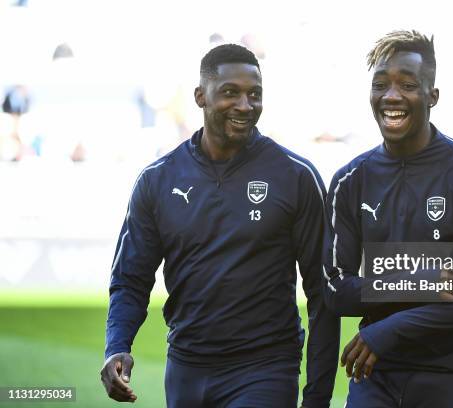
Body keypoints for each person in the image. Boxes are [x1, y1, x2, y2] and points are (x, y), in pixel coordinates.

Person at [101, 44, 340, 408]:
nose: (245, 105)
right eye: (231, 93)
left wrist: (317, 396)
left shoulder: (295, 176)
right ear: (201, 96)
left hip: (266, 369)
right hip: (186, 367)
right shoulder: (158, 180)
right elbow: (130, 279)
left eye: (254, 94)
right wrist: (117, 346)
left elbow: (323, 293)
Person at [322, 30, 453, 407]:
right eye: (380, 85)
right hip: (374, 375)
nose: (391, 96)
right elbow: (334, 290)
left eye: (407, 85)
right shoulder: (350, 180)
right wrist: (418, 282)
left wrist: (390, 329)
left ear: (432, 96)